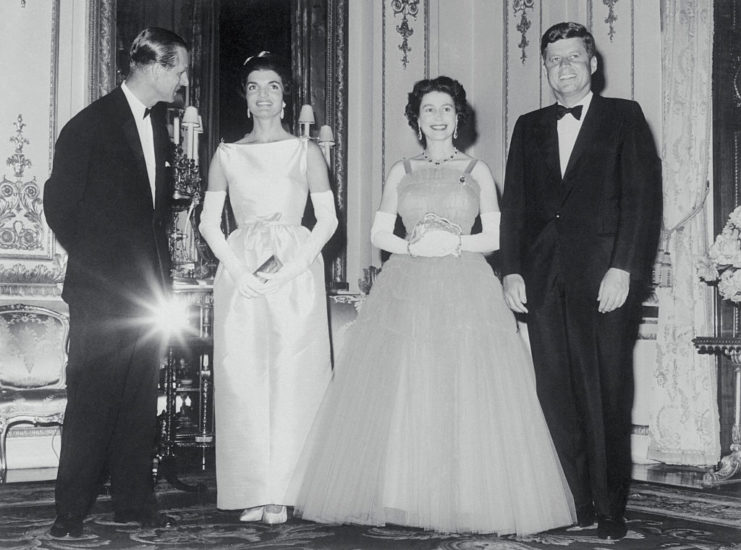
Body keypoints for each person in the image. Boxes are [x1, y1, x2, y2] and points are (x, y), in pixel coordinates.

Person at [289, 76, 575, 536]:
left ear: (458, 117)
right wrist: (413, 247)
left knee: (462, 383)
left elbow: (498, 235)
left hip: (466, 287)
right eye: (428, 110)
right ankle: (403, 494)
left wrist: (454, 241)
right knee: (409, 382)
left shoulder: (477, 170)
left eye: (446, 109)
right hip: (407, 284)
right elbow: (378, 233)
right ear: (416, 119)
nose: (438, 117)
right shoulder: (401, 171)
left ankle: (466, 498)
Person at [500, 22, 662, 541]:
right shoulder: (528, 126)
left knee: (606, 393)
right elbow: (516, 206)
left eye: (574, 57)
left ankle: (612, 508)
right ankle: (577, 502)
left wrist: (625, 268)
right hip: (543, 279)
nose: (564, 67)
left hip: (605, 281)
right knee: (556, 394)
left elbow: (642, 200)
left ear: (593, 64)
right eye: (554, 59)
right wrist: (511, 269)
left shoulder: (624, 117)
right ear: (545, 67)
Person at [43, 27, 189, 538]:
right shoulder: (89, 125)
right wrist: (104, 269)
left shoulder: (157, 128)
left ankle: (134, 504)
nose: (183, 80)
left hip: (146, 295)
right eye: (178, 69)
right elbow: (59, 205)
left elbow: (151, 219)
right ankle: (69, 512)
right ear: (153, 66)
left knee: (136, 401)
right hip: (102, 294)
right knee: (92, 399)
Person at [198, 51, 337, 525]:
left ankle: (286, 489)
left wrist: (289, 269)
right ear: (246, 96)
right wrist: (240, 274)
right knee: (244, 379)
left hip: (295, 273)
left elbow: (328, 220)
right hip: (241, 272)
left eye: (273, 86)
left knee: (294, 376)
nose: (263, 95)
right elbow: (209, 224)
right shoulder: (227, 154)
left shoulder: (306, 151)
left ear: (285, 96)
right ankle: (254, 488)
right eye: (254, 86)